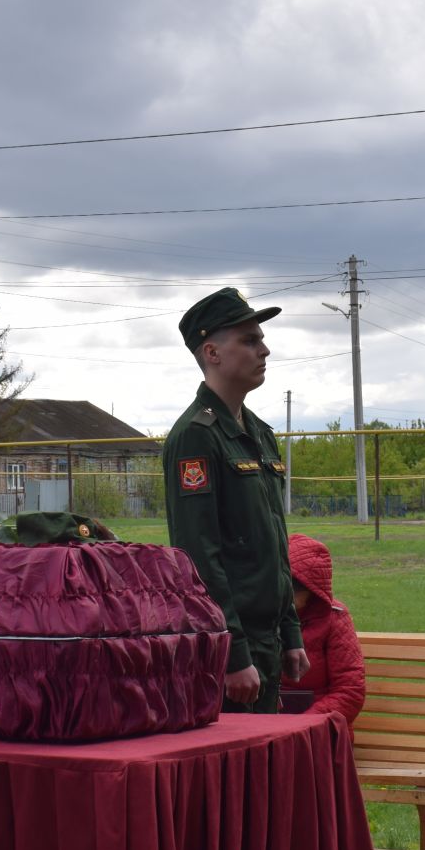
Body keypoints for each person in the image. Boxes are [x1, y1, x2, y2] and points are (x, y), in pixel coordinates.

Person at [162, 287, 306, 713]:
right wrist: (233, 653)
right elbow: (198, 556)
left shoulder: (258, 433)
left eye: (260, 338)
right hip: (232, 651)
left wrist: (291, 633)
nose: (264, 349)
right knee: (234, 779)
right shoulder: (196, 436)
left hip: (268, 642)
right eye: (248, 340)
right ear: (212, 352)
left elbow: (274, 547)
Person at [284, 534, 366, 723]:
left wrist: (304, 725)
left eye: (294, 590)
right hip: (264, 725)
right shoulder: (257, 616)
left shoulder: (335, 617)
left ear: (312, 590)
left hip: (316, 730)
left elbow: (350, 692)